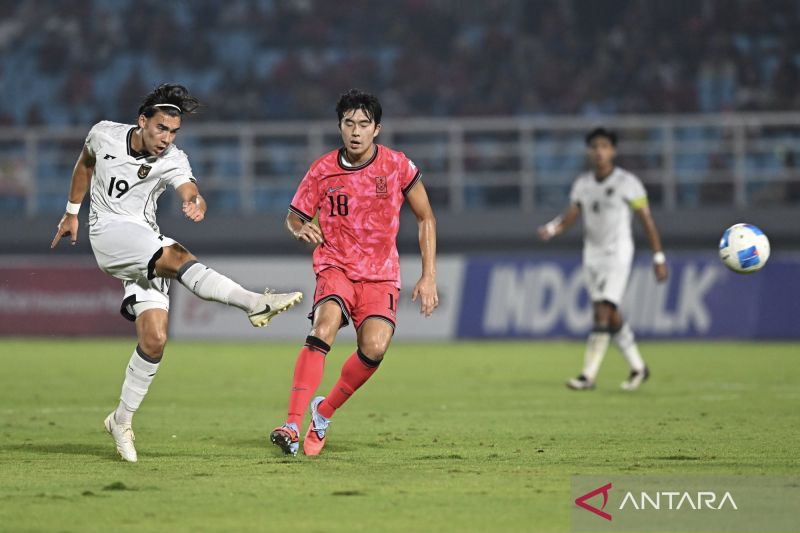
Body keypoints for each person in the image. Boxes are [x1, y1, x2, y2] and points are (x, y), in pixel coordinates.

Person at [50, 84, 303, 462]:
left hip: (143, 243)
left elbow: (188, 189)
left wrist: (194, 201)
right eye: (160, 129)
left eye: (173, 132)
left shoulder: (173, 159)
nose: (166, 139)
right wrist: (72, 211)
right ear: (142, 122)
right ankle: (254, 302)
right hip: (107, 233)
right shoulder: (103, 134)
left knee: (154, 339)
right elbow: (86, 162)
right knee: (177, 254)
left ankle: (121, 419)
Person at [270, 89, 439, 456]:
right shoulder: (322, 170)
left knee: (375, 348)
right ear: (340, 127)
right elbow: (294, 217)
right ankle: (292, 424)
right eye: (349, 123)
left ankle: (323, 411)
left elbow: (425, 217)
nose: (356, 131)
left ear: (376, 129)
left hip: (381, 275)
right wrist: (300, 229)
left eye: (364, 124)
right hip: (336, 267)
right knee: (323, 326)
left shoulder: (397, 166)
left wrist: (428, 276)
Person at [537, 127, 668, 391]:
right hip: (592, 255)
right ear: (589, 151)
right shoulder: (582, 184)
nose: (599, 151)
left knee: (602, 312)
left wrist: (658, 257)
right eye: (595, 147)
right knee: (612, 316)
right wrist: (552, 228)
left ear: (614, 151)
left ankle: (588, 376)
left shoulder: (627, 183)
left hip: (618, 253)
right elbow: (570, 216)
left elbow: (647, 222)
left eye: (605, 146)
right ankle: (639, 368)